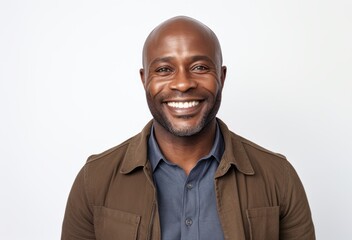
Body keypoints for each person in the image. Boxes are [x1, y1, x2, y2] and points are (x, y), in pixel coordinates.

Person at [61, 16, 315, 240]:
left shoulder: (278, 177)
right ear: (144, 79)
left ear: (222, 77)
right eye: (163, 69)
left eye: (200, 67)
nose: (182, 83)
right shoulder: (94, 180)